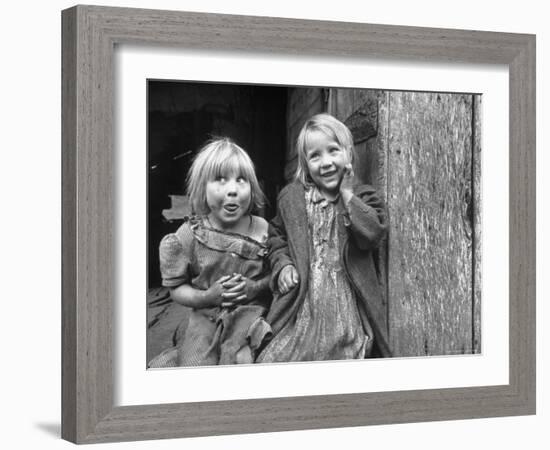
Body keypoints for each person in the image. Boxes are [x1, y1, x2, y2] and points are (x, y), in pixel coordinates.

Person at [257, 113, 391, 363]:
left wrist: (347, 195)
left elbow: (371, 235)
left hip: (344, 303)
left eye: (333, 151)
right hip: (303, 300)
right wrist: (283, 264)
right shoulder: (293, 198)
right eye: (315, 155)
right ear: (305, 163)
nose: (326, 162)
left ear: (348, 153)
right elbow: (276, 236)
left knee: (340, 354)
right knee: (278, 356)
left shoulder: (364, 197)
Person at [151, 138, 272, 367]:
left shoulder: (263, 229)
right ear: (201, 188)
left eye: (241, 180)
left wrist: (254, 287)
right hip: (205, 318)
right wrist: (206, 297)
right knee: (195, 365)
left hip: (251, 318)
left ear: (252, 187)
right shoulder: (190, 234)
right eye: (220, 180)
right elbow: (176, 288)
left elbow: (274, 275)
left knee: (249, 360)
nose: (232, 190)